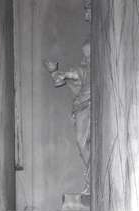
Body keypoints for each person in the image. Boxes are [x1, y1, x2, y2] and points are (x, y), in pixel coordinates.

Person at [44, 40, 91, 194]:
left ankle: (92, 176)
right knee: (81, 144)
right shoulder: (85, 70)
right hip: (80, 109)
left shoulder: (89, 71)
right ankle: (91, 176)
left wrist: (63, 74)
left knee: (83, 143)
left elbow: (75, 74)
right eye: (85, 55)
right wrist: (55, 73)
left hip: (87, 108)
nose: (87, 59)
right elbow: (71, 76)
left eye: (89, 55)